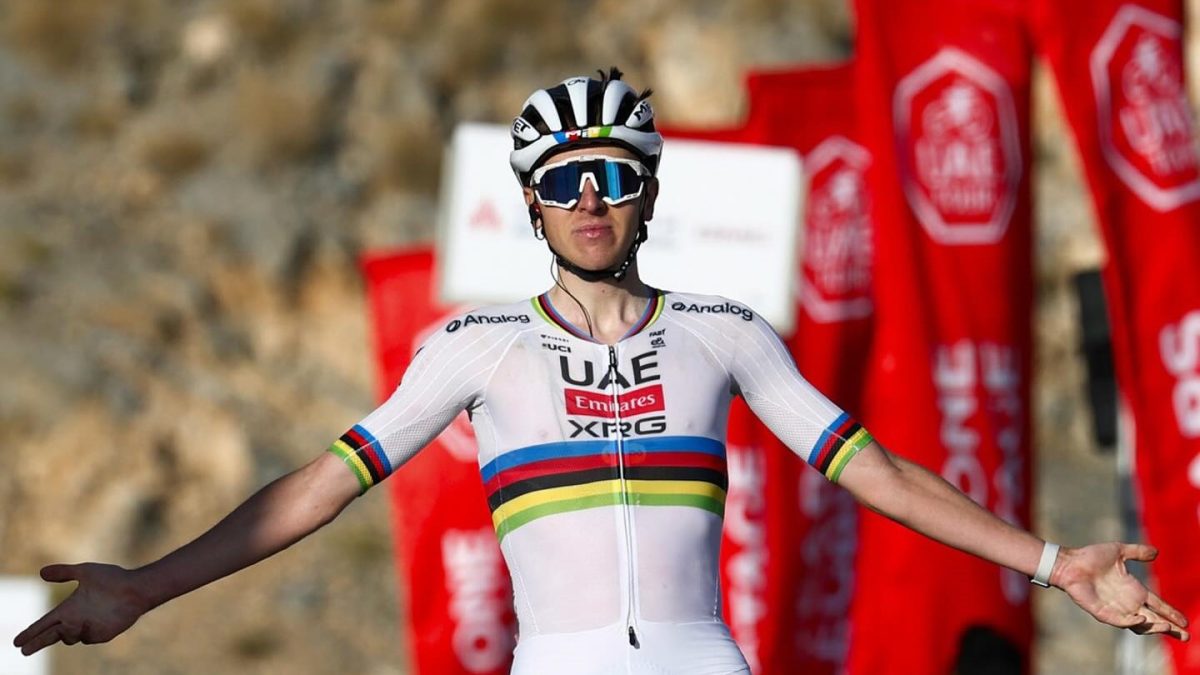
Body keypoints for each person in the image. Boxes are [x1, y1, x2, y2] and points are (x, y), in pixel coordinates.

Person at [12, 68, 1189, 674]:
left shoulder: (728, 331)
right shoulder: (476, 345)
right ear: (529, 202)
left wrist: (1054, 565)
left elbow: (876, 474)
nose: (589, 199)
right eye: (563, 181)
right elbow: (316, 489)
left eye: (614, 176)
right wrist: (148, 587)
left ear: (647, 196)